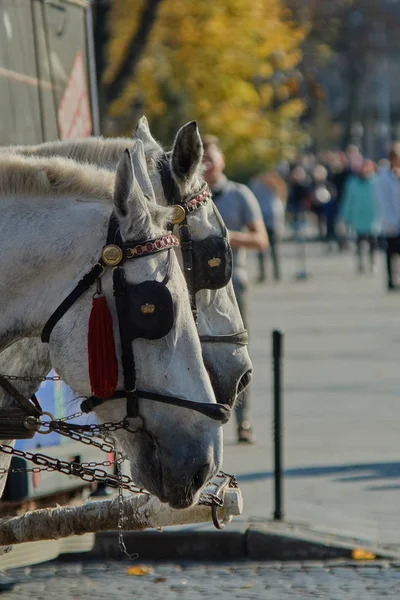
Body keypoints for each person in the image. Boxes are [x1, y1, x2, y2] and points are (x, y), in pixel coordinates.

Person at [202, 135, 269, 443]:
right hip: (196, 287)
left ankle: (243, 420)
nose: (206, 164)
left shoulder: (239, 194)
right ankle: (204, 418)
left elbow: (260, 240)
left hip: (233, 283)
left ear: (222, 161)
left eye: (211, 158)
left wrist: (223, 236)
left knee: (236, 353)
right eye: (201, 159)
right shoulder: (185, 196)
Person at [339, 159, 380, 274]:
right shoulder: (352, 182)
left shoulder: (376, 181)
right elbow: (348, 200)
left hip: (372, 215)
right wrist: (345, 216)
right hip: (358, 216)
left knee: (373, 240)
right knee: (360, 240)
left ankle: (373, 262)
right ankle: (361, 262)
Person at [249, 170, 286, 282]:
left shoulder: (276, 184)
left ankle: (277, 273)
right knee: (260, 248)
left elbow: (281, 199)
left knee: (274, 248)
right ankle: (263, 273)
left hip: (273, 220)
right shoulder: (255, 185)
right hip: (261, 219)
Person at [377, 143, 400, 290]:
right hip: (390, 221)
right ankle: (391, 280)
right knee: (390, 252)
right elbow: (382, 199)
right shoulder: (384, 176)